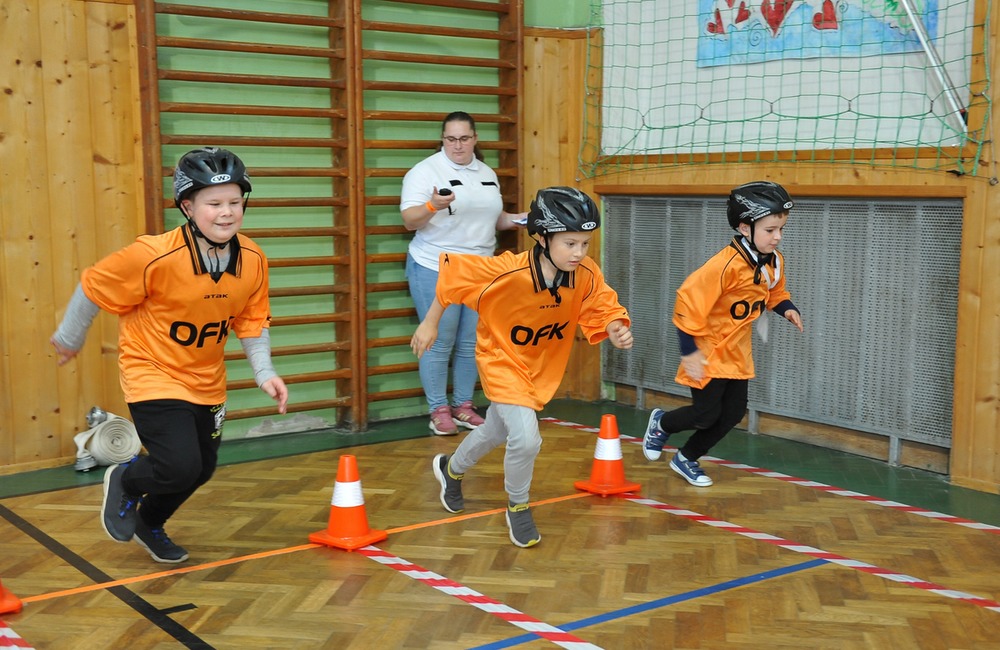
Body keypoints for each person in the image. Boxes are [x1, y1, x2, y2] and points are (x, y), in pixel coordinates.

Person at [51, 147, 289, 563]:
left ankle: (150, 522)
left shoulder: (252, 259)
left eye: (234, 202)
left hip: (207, 379)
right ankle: (125, 477)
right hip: (152, 372)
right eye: (214, 204)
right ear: (187, 206)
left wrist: (264, 371)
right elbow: (93, 285)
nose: (227, 213)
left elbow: (252, 320)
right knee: (178, 465)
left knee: (200, 469)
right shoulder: (152, 255)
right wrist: (70, 338)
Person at [411, 186, 633, 547]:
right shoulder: (506, 272)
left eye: (585, 244)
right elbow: (453, 280)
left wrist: (614, 327)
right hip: (501, 360)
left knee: (496, 431)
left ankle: (450, 470)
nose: (579, 253)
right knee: (527, 439)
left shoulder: (586, 273)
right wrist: (430, 322)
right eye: (570, 244)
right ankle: (518, 507)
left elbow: (602, 304)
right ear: (543, 237)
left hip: (540, 367)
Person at [641, 180, 803, 487]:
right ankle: (661, 423)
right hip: (708, 350)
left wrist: (787, 308)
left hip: (738, 352)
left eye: (781, 229)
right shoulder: (723, 265)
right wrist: (689, 350)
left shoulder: (775, 262)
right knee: (705, 415)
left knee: (732, 415)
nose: (777, 237)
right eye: (770, 230)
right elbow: (687, 302)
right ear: (745, 228)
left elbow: (774, 292)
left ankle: (686, 457)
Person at [401, 111, 527, 436]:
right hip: (435, 265)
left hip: (480, 269)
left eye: (464, 138)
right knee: (439, 340)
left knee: (472, 342)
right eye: (451, 139)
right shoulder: (424, 171)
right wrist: (432, 206)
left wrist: (527, 218)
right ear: (443, 139)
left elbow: (495, 219)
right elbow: (409, 221)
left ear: (475, 138)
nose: (457, 145)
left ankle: (463, 407)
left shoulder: (486, 173)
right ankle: (438, 410)